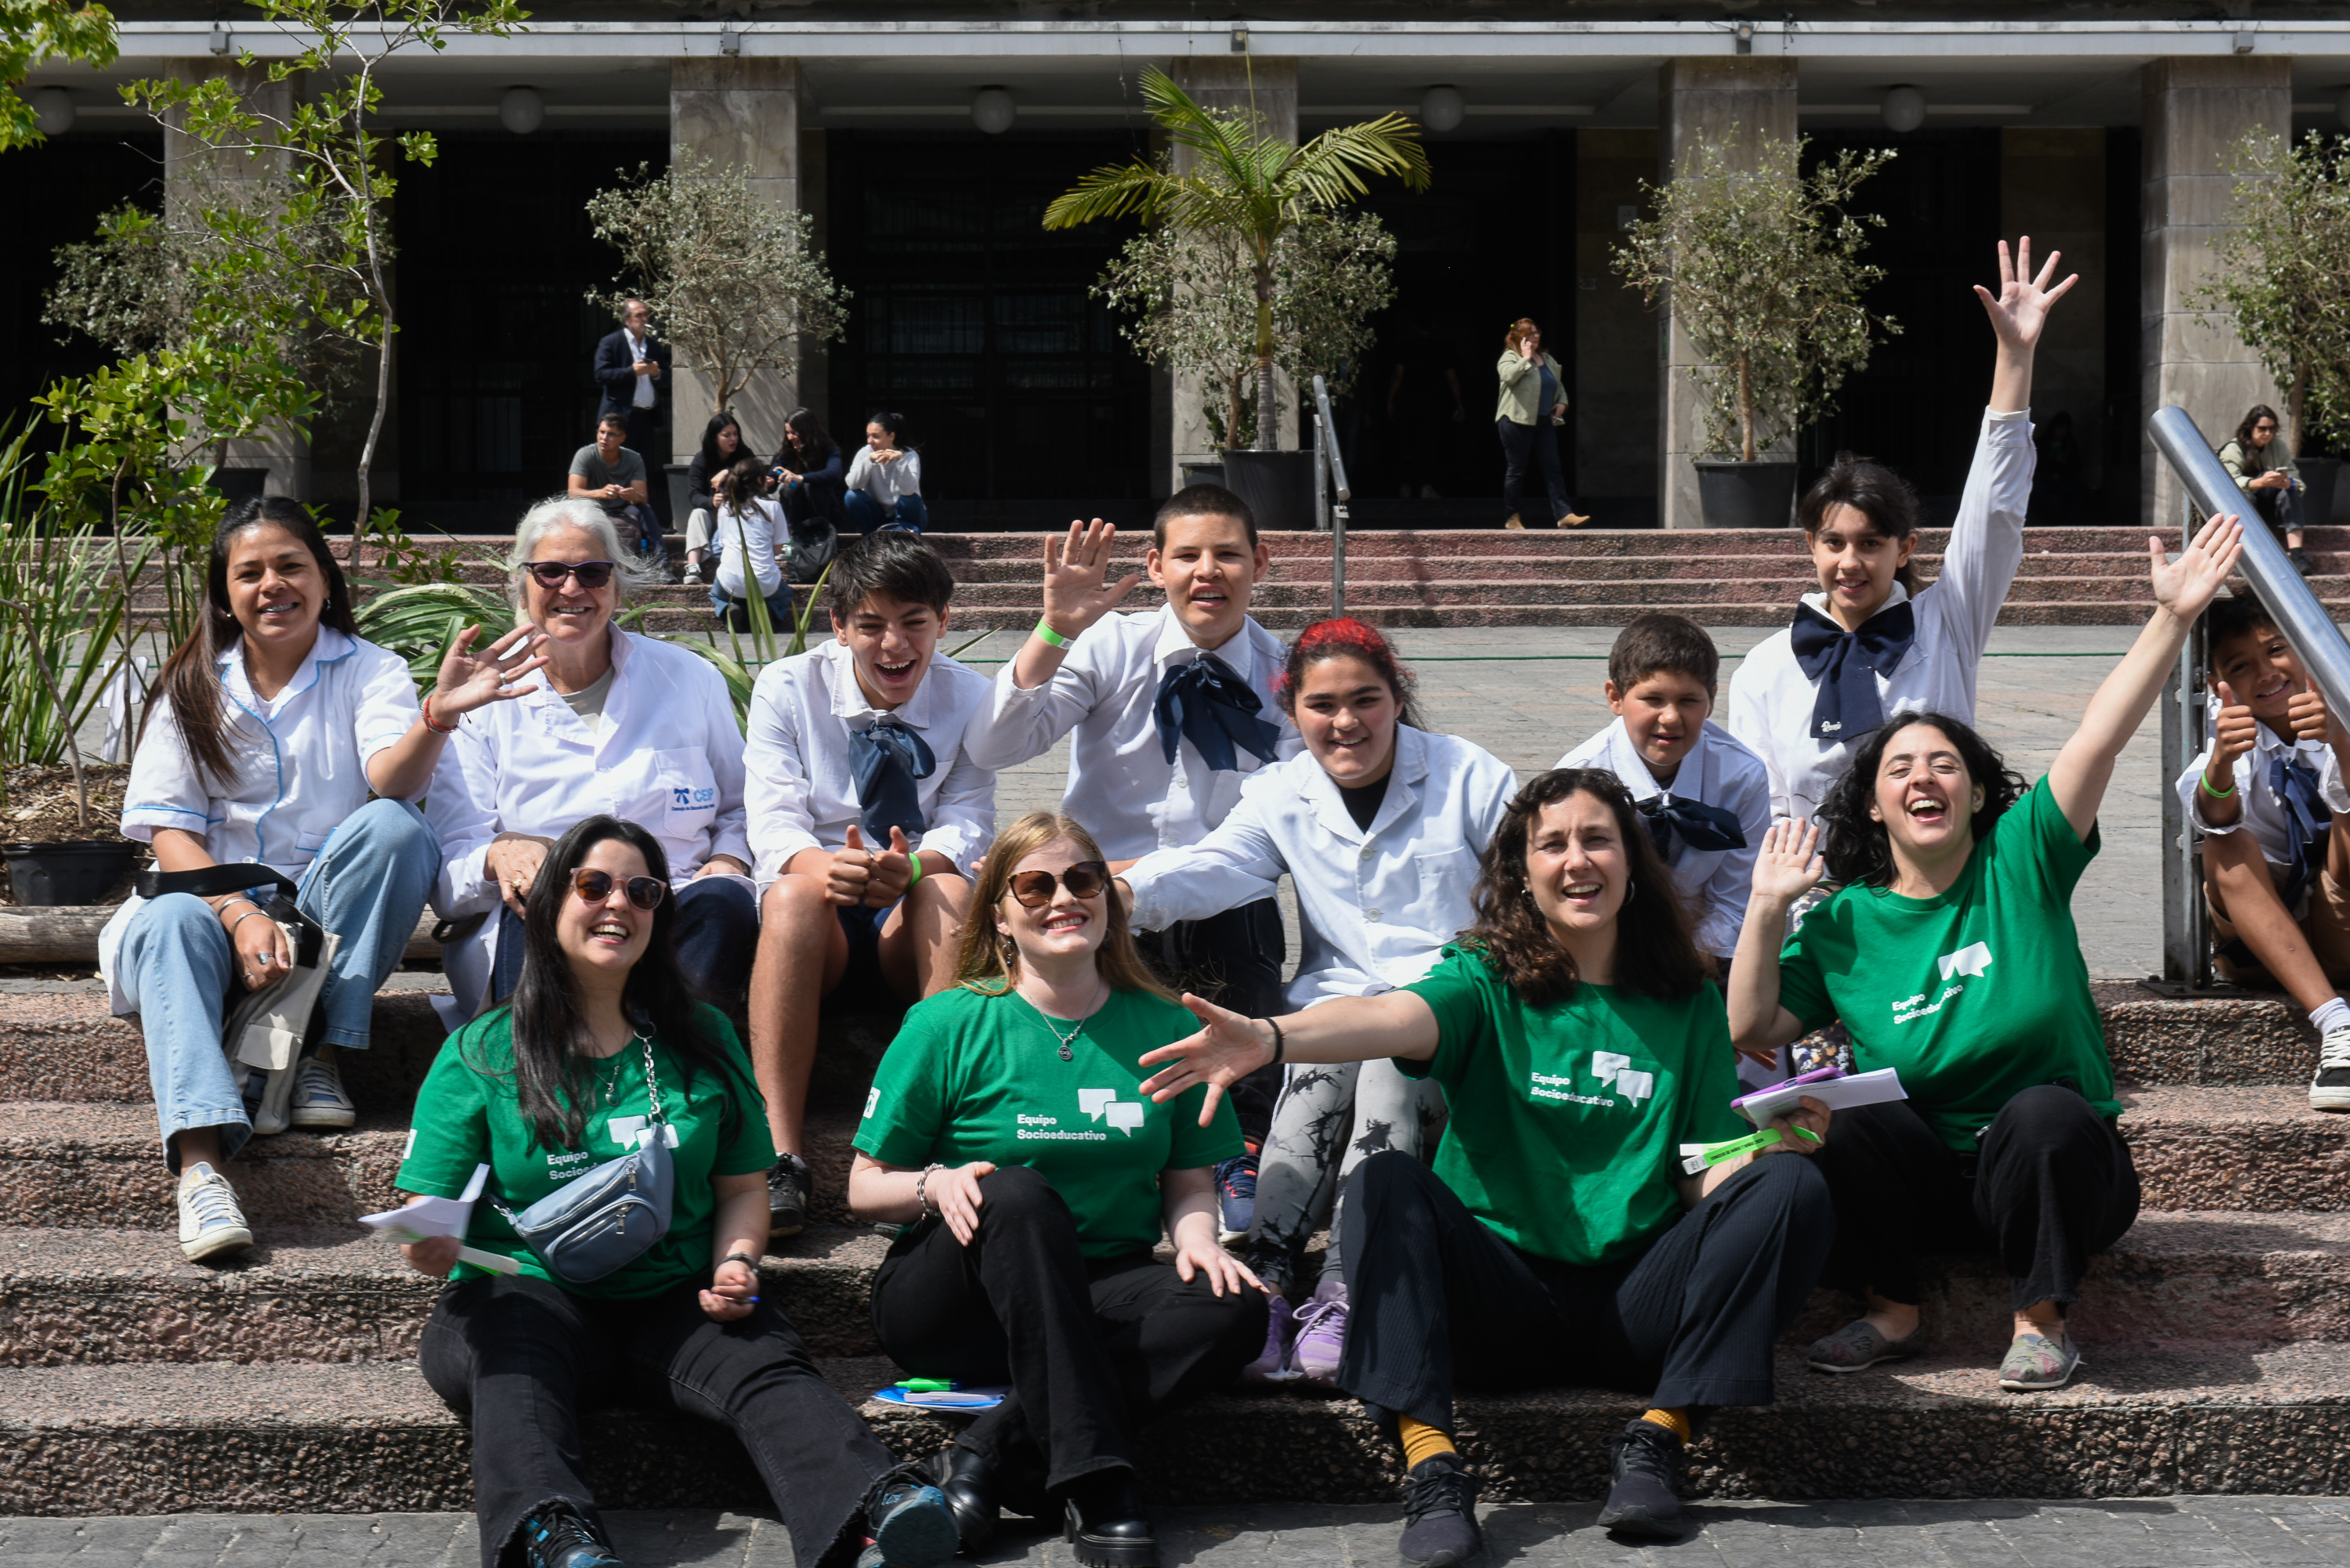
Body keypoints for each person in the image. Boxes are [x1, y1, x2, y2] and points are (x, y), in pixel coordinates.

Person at [1133, 769, 1835, 1552]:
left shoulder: (1688, 1000)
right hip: (1498, 1299)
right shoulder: (1486, 978)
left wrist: (1765, 1158)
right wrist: (1271, 1035)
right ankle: (1432, 1468)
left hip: (1636, 1304)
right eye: (1553, 844)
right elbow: (1386, 1014)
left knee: (1793, 1182)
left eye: (1598, 838)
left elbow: (1696, 1167)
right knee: (1385, 1180)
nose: (1578, 859)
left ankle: (1660, 1437)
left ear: (1632, 863)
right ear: (1523, 873)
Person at [1729, 514, 2244, 1395]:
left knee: (2042, 1111)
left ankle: (2041, 1321)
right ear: (1876, 808)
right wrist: (1768, 910)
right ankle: (1892, 1309)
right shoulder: (1846, 920)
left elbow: (2097, 737)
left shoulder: (2023, 857)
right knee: (1832, 1108)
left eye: (1944, 765)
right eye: (1899, 770)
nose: (1922, 778)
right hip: (1926, 1189)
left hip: (2059, 1182)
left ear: (1975, 796)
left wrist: (2173, 618)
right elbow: (1752, 1025)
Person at [398, 815, 960, 1568]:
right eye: (593, 884)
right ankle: (552, 1538)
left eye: (642, 890)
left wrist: (738, 1262)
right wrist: (432, 1245)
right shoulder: (484, 1049)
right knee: (513, 1362)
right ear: (547, 905)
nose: (617, 904)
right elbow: (426, 1214)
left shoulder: (699, 1036)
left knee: (765, 1357)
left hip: (675, 1291)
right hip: (528, 1292)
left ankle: (877, 1506)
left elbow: (741, 1187)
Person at [100, 497, 533, 1262]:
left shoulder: (370, 670)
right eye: (251, 573)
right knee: (169, 920)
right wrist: (238, 915)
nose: (274, 584)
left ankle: (317, 1054)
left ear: (325, 581)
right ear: (227, 595)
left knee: (399, 827)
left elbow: (388, 780)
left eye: (291, 565)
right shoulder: (192, 684)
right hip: (206, 909)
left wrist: (436, 717)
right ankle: (201, 1173)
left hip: (318, 919)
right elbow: (170, 831)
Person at [851, 812, 1267, 1568]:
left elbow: (1189, 1184)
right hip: (957, 1298)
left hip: (1096, 1283)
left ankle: (985, 1457)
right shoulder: (947, 1022)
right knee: (1017, 1194)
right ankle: (1100, 1482)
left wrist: (1200, 1238)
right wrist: (937, 1182)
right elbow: (863, 1187)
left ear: (1109, 899)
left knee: (1235, 1306)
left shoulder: (1166, 1025)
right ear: (1001, 916)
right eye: (1034, 885)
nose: (1061, 898)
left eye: (1082, 880)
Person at [1118, 618, 1515, 1387]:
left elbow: (1521, 899)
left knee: (1391, 1063)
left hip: (1450, 1013)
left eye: (1366, 700)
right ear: (1291, 709)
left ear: (1397, 697)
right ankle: (1266, 1273)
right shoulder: (1279, 791)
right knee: (1319, 1056)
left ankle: (1344, 1283)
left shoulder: (1470, 775)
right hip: (1335, 1010)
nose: (1346, 722)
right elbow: (1219, 866)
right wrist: (1129, 891)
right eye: (1322, 704)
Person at [959, 490, 1300, 1241]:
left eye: (1228, 554)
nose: (1207, 572)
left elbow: (1279, 828)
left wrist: (1155, 875)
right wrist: (1055, 629)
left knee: (1243, 909)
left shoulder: (1287, 674)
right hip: (1096, 896)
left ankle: (1238, 1147)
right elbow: (994, 748)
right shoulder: (1112, 644)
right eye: (1187, 555)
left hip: (1220, 893)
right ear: (1155, 566)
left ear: (1260, 563)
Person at [1727, 238, 2077, 826]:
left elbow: (1994, 514)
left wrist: (2015, 357)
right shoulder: (1764, 670)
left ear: (1905, 548)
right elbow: (1765, 815)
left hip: (1939, 891)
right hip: (1822, 904)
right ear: (1810, 545)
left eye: (1870, 544)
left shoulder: (1945, 624)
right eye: (1833, 543)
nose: (1850, 563)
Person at [743, 535, 996, 1234]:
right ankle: (779, 1153)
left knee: (950, 892)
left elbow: (970, 817)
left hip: (906, 916)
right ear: (839, 625)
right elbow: (771, 820)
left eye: (915, 621)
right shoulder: (786, 687)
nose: (894, 644)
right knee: (790, 896)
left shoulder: (973, 696)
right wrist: (827, 868)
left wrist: (911, 868)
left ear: (943, 623)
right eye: (872, 624)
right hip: (816, 913)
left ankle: (928, 1148)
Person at [425, 497, 756, 1025]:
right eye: (550, 572)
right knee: (534, 907)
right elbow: (450, 866)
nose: (572, 589)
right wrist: (498, 857)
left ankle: (672, 1079)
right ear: (522, 586)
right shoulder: (481, 703)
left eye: (593, 572)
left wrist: (732, 860)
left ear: (618, 587)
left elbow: (743, 805)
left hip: (673, 910)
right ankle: (551, 1095)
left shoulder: (690, 680)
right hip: (545, 917)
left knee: (724, 903)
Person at [2175, 591, 2350, 1111]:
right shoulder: (2228, 741)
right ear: (2216, 685)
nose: (2267, 672)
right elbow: (2213, 812)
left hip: (2342, 922)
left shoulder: (2340, 712)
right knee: (2224, 846)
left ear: (2303, 649)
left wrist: (2341, 741)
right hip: (2262, 947)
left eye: (2277, 650)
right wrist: (2224, 760)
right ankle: (2336, 1028)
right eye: (2240, 665)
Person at [1556, 612, 1772, 988]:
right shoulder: (1578, 779)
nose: (1670, 718)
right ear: (1615, 697)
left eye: (1689, 700)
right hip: (1604, 949)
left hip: (1707, 954)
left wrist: (1686, 956)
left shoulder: (1742, 775)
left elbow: (1737, 898)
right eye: (1652, 699)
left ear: (1711, 700)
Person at [1494, 317, 1585, 529]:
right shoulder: (1509, 357)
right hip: (1515, 420)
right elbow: (1508, 377)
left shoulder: (1547, 359)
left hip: (1543, 421)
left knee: (1553, 467)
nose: (1535, 337)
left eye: (1537, 332)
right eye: (1530, 333)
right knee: (1517, 470)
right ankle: (1512, 517)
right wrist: (1525, 359)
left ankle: (1564, 515)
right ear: (1519, 338)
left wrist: (1562, 403)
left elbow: (1558, 386)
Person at [707, 456, 794, 632]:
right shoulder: (773, 507)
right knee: (785, 595)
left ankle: (728, 609)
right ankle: (770, 612)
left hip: (729, 581)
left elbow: (723, 544)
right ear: (761, 480)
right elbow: (779, 549)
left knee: (717, 594)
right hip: (765, 582)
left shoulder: (725, 507)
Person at [2220, 404, 2308, 575]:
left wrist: (2289, 483)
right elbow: (2227, 484)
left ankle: (2297, 555)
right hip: (2243, 512)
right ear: (2251, 428)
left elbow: (2296, 478)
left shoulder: (2278, 446)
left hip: (2272, 510)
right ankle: (2244, 556)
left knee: (2290, 493)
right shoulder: (2234, 449)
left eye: (2272, 429)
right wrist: (2259, 482)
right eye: (2262, 429)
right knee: (2247, 498)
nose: (2267, 434)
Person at [567, 413, 661, 566]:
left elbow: (642, 497)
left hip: (623, 508)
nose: (604, 438)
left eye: (611, 434)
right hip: (592, 509)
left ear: (622, 438)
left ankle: (661, 563)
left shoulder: (634, 458)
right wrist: (600, 493)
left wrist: (632, 495)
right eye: (601, 432)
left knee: (644, 509)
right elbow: (573, 493)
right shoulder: (585, 455)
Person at [593, 297, 670, 481]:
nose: (645, 319)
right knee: (617, 467)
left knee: (644, 469)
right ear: (627, 320)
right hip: (620, 418)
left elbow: (668, 377)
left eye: (646, 315)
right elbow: (601, 374)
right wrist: (631, 372)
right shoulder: (611, 342)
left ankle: (642, 507)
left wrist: (656, 373)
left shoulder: (652, 345)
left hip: (645, 417)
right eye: (639, 315)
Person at [681, 412, 748, 587]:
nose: (733, 439)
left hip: (738, 516)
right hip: (712, 517)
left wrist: (728, 472)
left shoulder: (744, 455)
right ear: (714, 438)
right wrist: (712, 502)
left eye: (735, 434)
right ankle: (693, 566)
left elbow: (754, 475)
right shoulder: (701, 460)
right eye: (726, 435)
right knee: (698, 513)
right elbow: (695, 496)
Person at [844, 411, 927, 536]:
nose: (870, 441)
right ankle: (869, 535)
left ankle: (905, 533)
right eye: (868, 436)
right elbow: (852, 484)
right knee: (852, 496)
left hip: (906, 515)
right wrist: (869, 461)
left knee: (911, 499)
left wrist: (900, 461)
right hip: (878, 515)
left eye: (876, 436)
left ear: (891, 436)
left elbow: (909, 491)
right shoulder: (865, 453)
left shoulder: (909, 455)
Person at [773, 406, 849, 533]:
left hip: (824, 509)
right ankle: (792, 532)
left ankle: (820, 532)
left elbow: (834, 474)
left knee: (811, 487)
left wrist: (801, 478)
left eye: (794, 433)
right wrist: (770, 479)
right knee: (789, 489)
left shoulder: (828, 448)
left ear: (806, 432)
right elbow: (776, 468)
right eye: (788, 433)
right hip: (796, 514)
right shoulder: (789, 449)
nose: (790, 437)